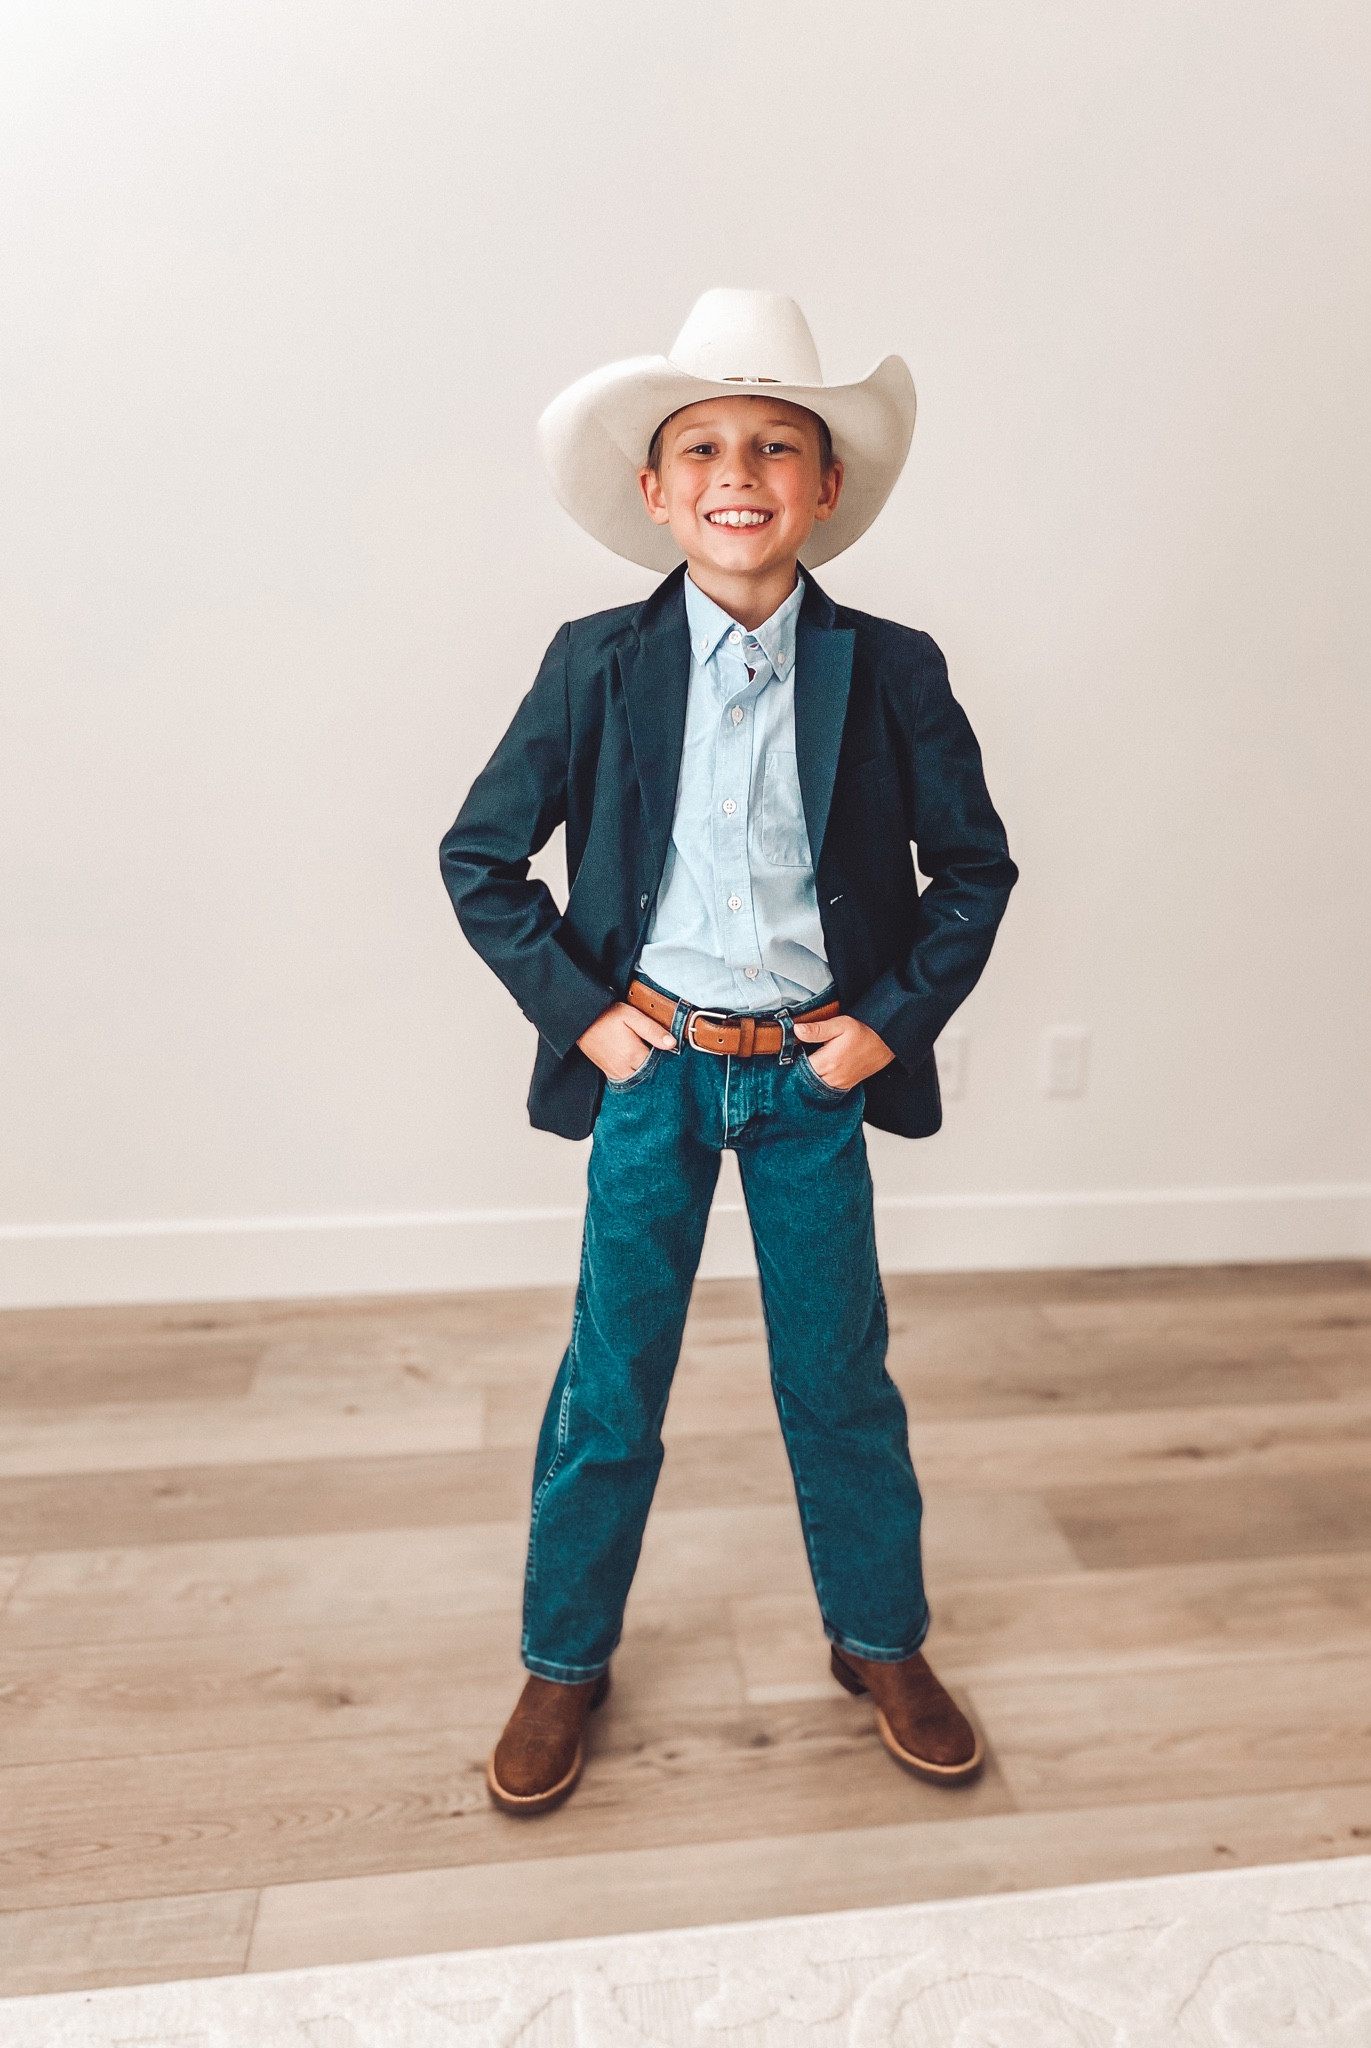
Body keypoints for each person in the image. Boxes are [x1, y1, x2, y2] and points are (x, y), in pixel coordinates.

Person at [440, 289, 1017, 1814]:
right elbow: (479, 860)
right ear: (656, 490)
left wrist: (875, 1038)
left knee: (838, 1373)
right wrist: (592, 1019)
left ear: (825, 488)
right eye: (702, 445)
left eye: (775, 443)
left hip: (809, 1084)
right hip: (659, 1077)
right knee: (610, 1378)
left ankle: (878, 1637)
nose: (737, 470)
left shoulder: (892, 670)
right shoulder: (596, 664)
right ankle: (565, 1658)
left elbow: (975, 873)